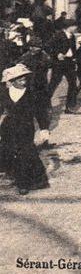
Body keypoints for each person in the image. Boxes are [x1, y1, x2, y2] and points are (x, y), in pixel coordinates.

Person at [0, 64, 50, 195]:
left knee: (25, 152)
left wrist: (44, 129)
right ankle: (17, 176)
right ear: (12, 81)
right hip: (8, 127)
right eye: (20, 79)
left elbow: (40, 112)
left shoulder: (32, 94)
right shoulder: (4, 94)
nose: (23, 81)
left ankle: (24, 183)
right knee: (10, 150)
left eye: (24, 79)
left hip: (26, 127)